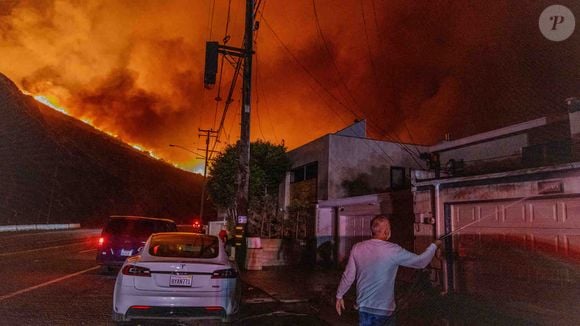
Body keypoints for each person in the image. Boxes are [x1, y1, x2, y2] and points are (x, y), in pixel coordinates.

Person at [335, 215, 441, 326]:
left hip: (364, 308)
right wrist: (434, 246)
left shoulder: (357, 247)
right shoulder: (393, 250)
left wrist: (339, 295)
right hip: (384, 310)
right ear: (386, 231)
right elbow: (421, 262)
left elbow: (348, 275)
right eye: (389, 228)